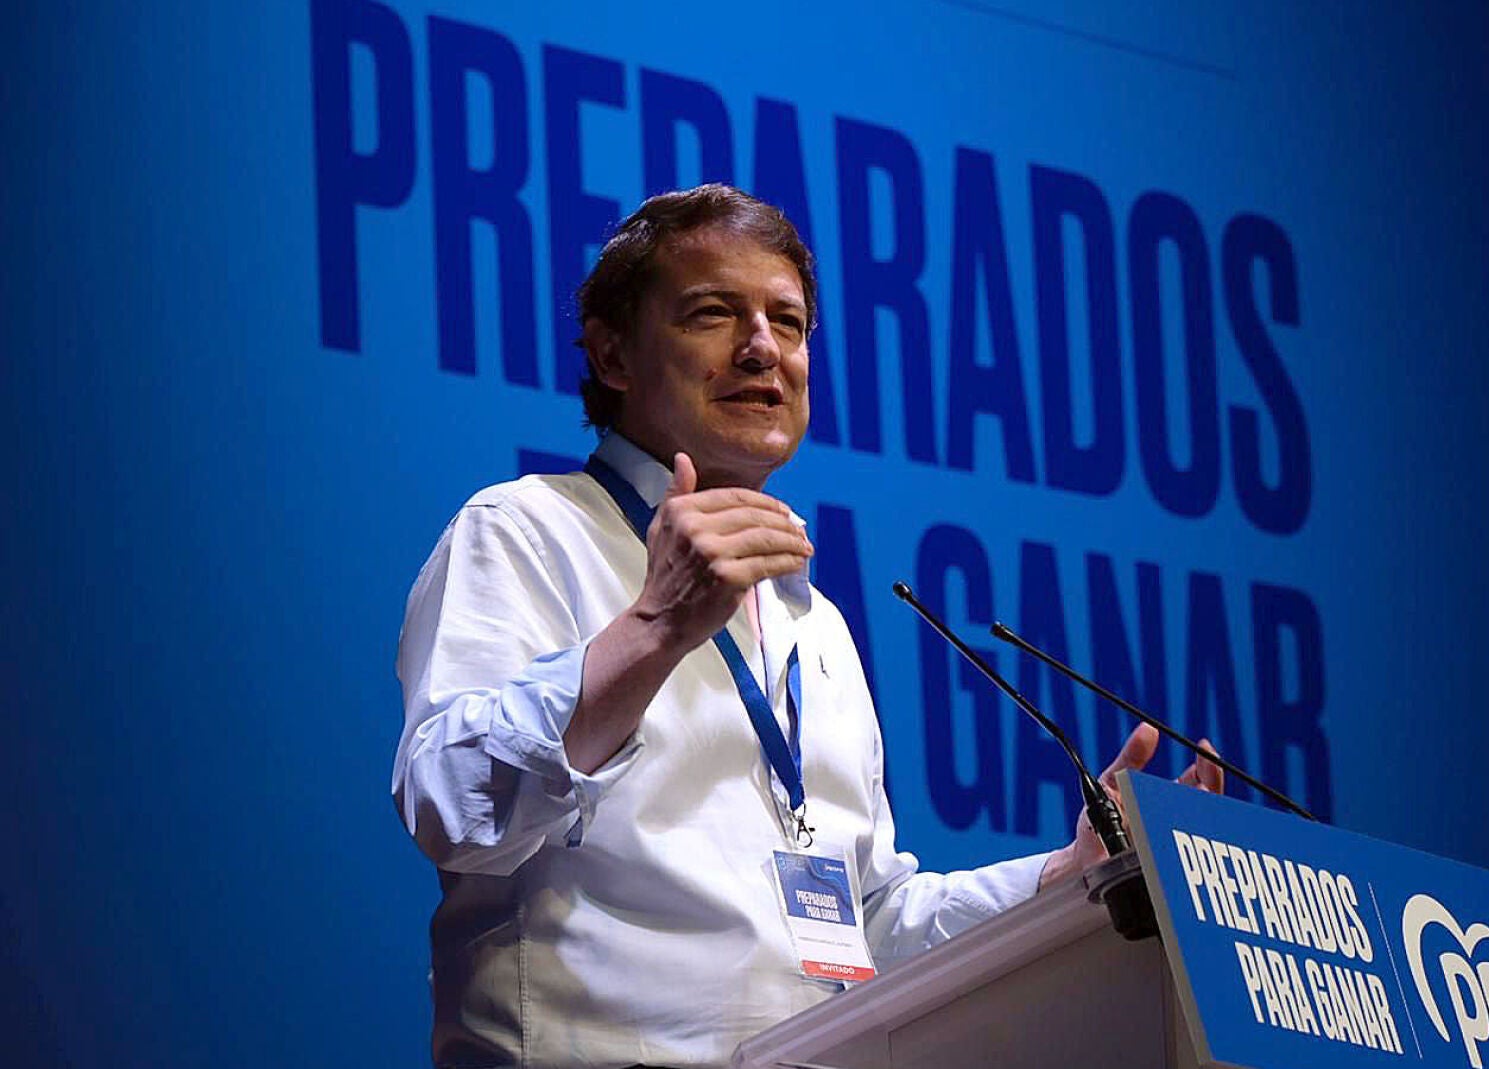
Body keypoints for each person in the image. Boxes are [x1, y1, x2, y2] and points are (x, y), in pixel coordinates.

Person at [393, 184, 1221, 1069]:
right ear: (613, 354)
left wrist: (1065, 878)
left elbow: (866, 929)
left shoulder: (813, 623)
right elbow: (449, 801)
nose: (762, 347)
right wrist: (654, 629)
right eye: (713, 313)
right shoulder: (525, 530)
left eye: (787, 323)